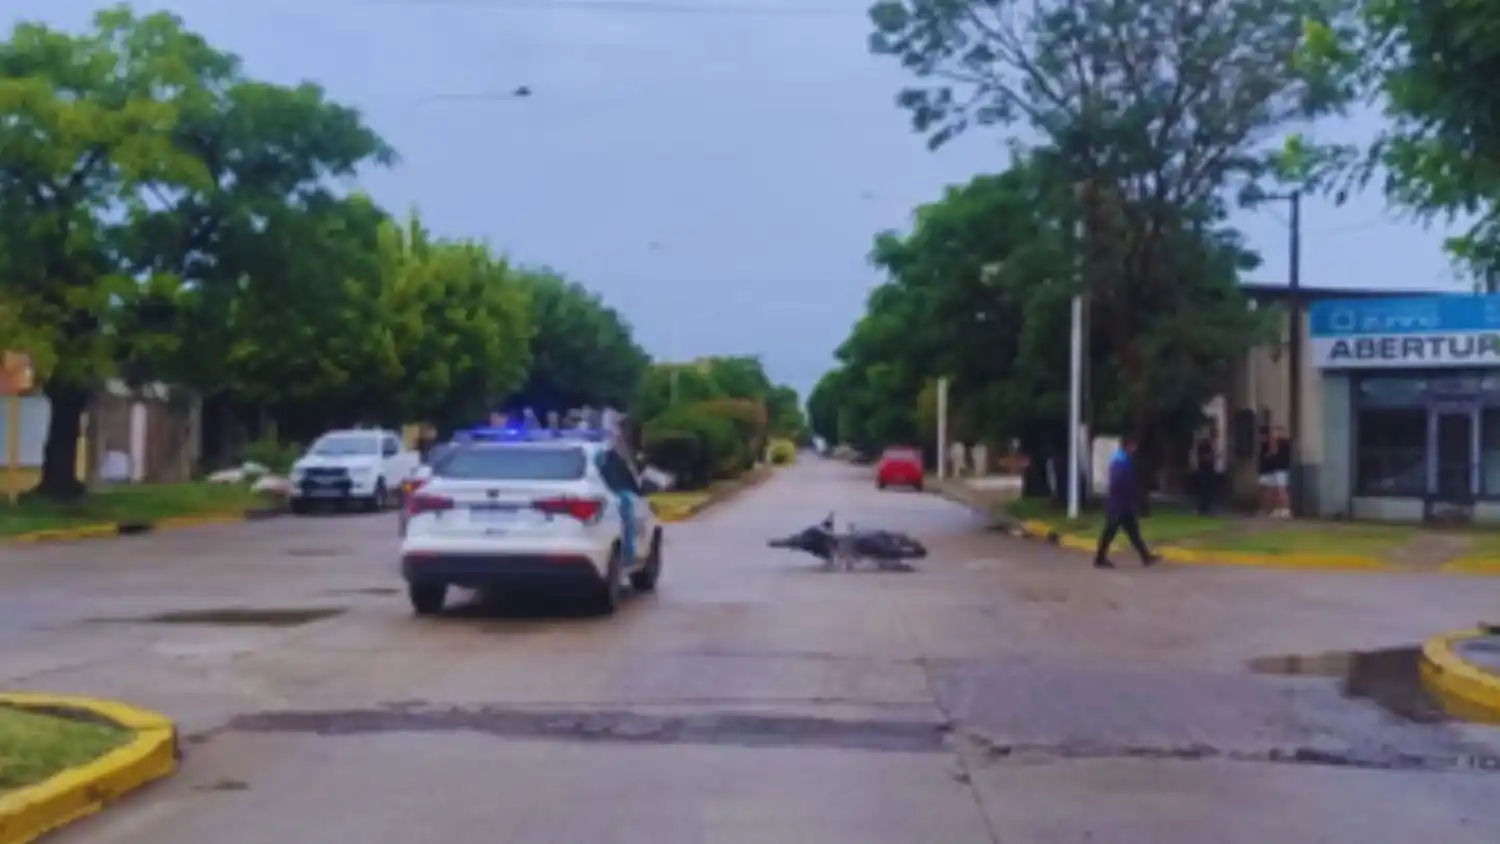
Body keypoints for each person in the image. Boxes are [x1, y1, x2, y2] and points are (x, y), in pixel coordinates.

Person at [1094, 433, 1160, 569]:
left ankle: (1146, 557)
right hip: (1119, 505)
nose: (1135, 449)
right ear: (1129, 446)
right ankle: (1100, 558)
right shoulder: (1121, 461)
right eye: (1134, 446)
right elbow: (1119, 483)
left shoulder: (1121, 459)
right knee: (1111, 532)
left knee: (1132, 532)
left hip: (1122, 504)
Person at [1193, 429, 1220, 514]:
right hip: (1204, 471)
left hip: (1210, 471)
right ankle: (1201, 508)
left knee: (1210, 490)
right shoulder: (1203, 445)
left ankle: (1207, 508)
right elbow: (1204, 458)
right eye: (1214, 437)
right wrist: (1213, 456)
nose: (1214, 440)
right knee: (1204, 490)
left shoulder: (1210, 446)